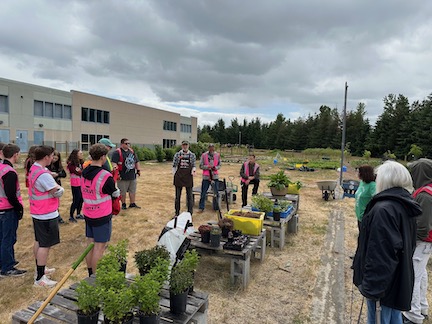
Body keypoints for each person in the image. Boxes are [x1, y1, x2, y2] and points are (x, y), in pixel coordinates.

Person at [353, 160, 421, 324]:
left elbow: (381, 254)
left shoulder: (383, 209)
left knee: (379, 319)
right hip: (396, 278)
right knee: (393, 317)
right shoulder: (403, 204)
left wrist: (372, 288)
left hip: (382, 285)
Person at [81, 144, 120, 276]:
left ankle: (90, 272)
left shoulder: (84, 172)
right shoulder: (105, 175)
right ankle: (96, 277)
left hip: (88, 213)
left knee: (90, 243)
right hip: (102, 215)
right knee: (99, 246)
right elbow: (114, 193)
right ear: (103, 157)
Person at [29, 145, 64, 287]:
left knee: (38, 241)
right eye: (51, 156)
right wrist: (60, 188)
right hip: (46, 213)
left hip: (38, 212)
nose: (53, 158)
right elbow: (56, 190)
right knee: (45, 244)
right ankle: (40, 278)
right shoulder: (43, 174)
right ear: (46, 157)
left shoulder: (35, 168)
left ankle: (40, 269)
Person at [402, 159, 432, 324]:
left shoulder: (424, 195)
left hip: (421, 242)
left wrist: (410, 240)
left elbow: (422, 226)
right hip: (425, 243)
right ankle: (422, 307)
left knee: (412, 275)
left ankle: (412, 316)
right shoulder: (426, 191)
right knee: (421, 275)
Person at [0, 144, 26, 277]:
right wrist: (18, 208)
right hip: (7, 210)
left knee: (2, 238)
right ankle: (7, 267)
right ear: (15, 155)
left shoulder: (1, 168)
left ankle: (4, 261)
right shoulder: (9, 172)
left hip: (1, 208)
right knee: (8, 239)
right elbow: (11, 194)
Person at [111, 138, 141, 209]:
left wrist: (138, 170)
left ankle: (132, 203)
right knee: (122, 191)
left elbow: (136, 161)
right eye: (126, 143)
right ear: (122, 144)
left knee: (132, 190)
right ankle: (123, 204)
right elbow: (114, 163)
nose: (128, 145)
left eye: (129, 143)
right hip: (122, 176)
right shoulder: (117, 152)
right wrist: (116, 173)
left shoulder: (132, 151)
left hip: (132, 175)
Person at [172, 140, 196, 216]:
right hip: (179, 177)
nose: (185, 146)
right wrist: (174, 174)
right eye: (183, 145)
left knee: (189, 196)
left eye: (186, 145)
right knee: (177, 197)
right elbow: (174, 165)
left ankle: (190, 213)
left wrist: (193, 170)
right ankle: (177, 213)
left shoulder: (192, 155)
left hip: (188, 177)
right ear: (182, 146)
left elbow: (194, 165)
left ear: (188, 146)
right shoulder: (177, 154)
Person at [198, 143, 221, 212]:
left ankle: (216, 208)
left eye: (212, 147)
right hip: (206, 176)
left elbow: (220, 165)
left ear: (214, 148)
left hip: (215, 176)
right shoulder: (204, 155)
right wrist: (207, 167)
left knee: (216, 192)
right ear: (208, 148)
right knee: (203, 193)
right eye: (210, 147)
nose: (211, 148)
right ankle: (201, 207)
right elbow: (200, 165)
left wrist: (215, 167)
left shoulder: (217, 155)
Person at [47, 151, 66, 224]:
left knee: (56, 201)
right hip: (50, 185)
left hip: (57, 184)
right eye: (53, 158)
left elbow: (64, 174)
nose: (54, 160)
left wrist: (57, 175)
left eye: (56, 158)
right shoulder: (48, 165)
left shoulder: (58, 165)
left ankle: (57, 215)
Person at [355, 165, 376, 229]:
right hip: (359, 215)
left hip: (366, 217)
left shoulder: (373, 186)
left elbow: (376, 200)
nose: (357, 174)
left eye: (359, 172)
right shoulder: (362, 182)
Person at [67, 149, 84, 222]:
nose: (82, 155)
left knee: (81, 199)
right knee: (76, 199)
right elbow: (78, 172)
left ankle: (78, 213)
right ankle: (71, 215)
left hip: (81, 183)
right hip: (75, 184)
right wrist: (82, 171)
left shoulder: (80, 163)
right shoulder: (71, 164)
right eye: (80, 153)